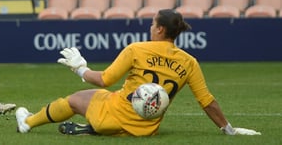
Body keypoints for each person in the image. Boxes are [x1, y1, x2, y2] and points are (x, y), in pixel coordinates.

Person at [15, 9, 261, 136]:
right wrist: (228, 129)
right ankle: (98, 129)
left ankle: (27, 122)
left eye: (153, 23)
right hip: (146, 128)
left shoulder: (137, 49)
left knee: (77, 99)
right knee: (101, 96)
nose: (150, 26)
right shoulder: (189, 62)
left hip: (115, 115)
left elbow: (105, 79)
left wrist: (81, 68)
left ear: (161, 29)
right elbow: (207, 101)